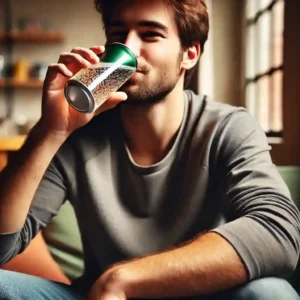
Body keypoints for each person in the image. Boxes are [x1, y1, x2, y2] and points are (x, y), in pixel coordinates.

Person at [0, 0, 299, 299]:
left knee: (272, 293)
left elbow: (277, 231)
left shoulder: (228, 127)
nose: (128, 47)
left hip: (190, 294)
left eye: (150, 34)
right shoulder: (78, 135)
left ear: (190, 54)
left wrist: (123, 279)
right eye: (118, 33)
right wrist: (49, 131)